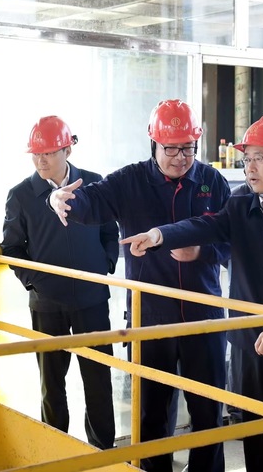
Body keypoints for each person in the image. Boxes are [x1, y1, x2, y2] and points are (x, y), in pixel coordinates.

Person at [120, 115, 263, 472]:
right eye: (247, 159)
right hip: (248, 345)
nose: (249, 168)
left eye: (259, 159)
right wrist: (159, 236)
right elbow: (202, 225)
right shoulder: (238, 206)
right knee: (255, 437)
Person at [47, 100, 230, 472]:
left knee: (208, 416)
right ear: (153, 144)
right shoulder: (129, 181)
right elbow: (89, 202)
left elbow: (232, 242)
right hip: (151, 318)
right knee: (151, 416)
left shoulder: (212, 182)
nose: (181, 158)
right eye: (171, 149)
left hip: (204, 316)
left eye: (188, 148)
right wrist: (59, 196)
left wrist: (202, 252)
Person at [1, 115, 119, 450]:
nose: (41, 160)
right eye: (36, 154)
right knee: (51, 384)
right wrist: (36, 283)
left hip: (92, 300)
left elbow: (110, 232)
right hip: (47, 304)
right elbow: (12, 248)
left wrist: (105, 265)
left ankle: (102, 454)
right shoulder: (21, 195)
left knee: (98, 379)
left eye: (49, 153)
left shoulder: (94, 185)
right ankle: (56, 453)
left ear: (68, 150)